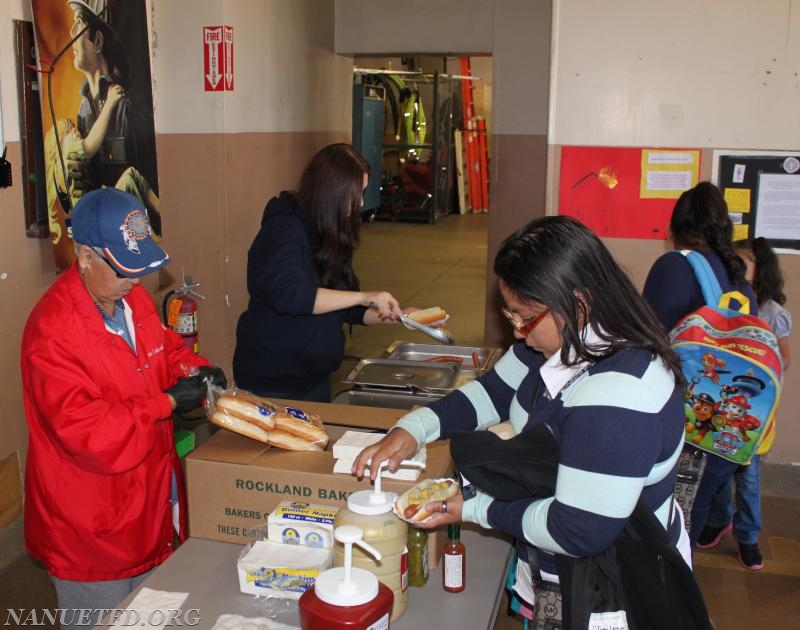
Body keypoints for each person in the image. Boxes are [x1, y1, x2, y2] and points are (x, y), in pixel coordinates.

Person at [354, 215, 690, 625]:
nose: (516, 331)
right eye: (510, 314)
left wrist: (476, 510)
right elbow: (493, 392)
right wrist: (416, 427)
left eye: (523, 316)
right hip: (553, 561)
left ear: (578, 303)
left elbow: (576, 530)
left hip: (610, 583)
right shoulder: (558, 340)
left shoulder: (617, 397)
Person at [21, 188, 226, 630]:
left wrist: (198, 369)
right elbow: (91, 435)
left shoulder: (128, 300)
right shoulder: (53, 335)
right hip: (92, 528)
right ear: (85, 256)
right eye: (124, 270)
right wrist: (168, 401)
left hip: (148, 504)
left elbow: (164, 350)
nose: (135, 281)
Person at [233, 143, 407, 403]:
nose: (360, 202)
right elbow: (292, 295)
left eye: (362, 192)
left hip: (314, 378)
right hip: (273, 380)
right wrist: (362, 296)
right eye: (354, 194)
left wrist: (399, 317)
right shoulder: (282, 231)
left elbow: (345, 307)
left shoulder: (330, 230)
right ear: (330, 192)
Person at [642, 181, 758, 547]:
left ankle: (665, 598)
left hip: (682, 423)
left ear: (674, 228)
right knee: (687, 522)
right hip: (725, 427)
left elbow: (646, 340)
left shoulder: (674, 267)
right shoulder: (738, 277)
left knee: (662, 528)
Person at [697, 237, 792, 570]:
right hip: (724, 414)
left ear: (759, 265)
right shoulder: (725, 304)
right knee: (718, 473)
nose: (735, 268)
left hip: (754, 418)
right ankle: (718, 520)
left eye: (742, 262)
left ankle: (748, 536)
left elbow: (785, 359)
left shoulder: (771, 312)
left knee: (748, 480)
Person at [65, 0, 162, 233]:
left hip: (131, 232)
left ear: (97, 42)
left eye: (79, 23)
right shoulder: (84, 111)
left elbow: (146, 185)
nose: (71, 33)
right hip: (100, 229)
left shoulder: (126, 107)